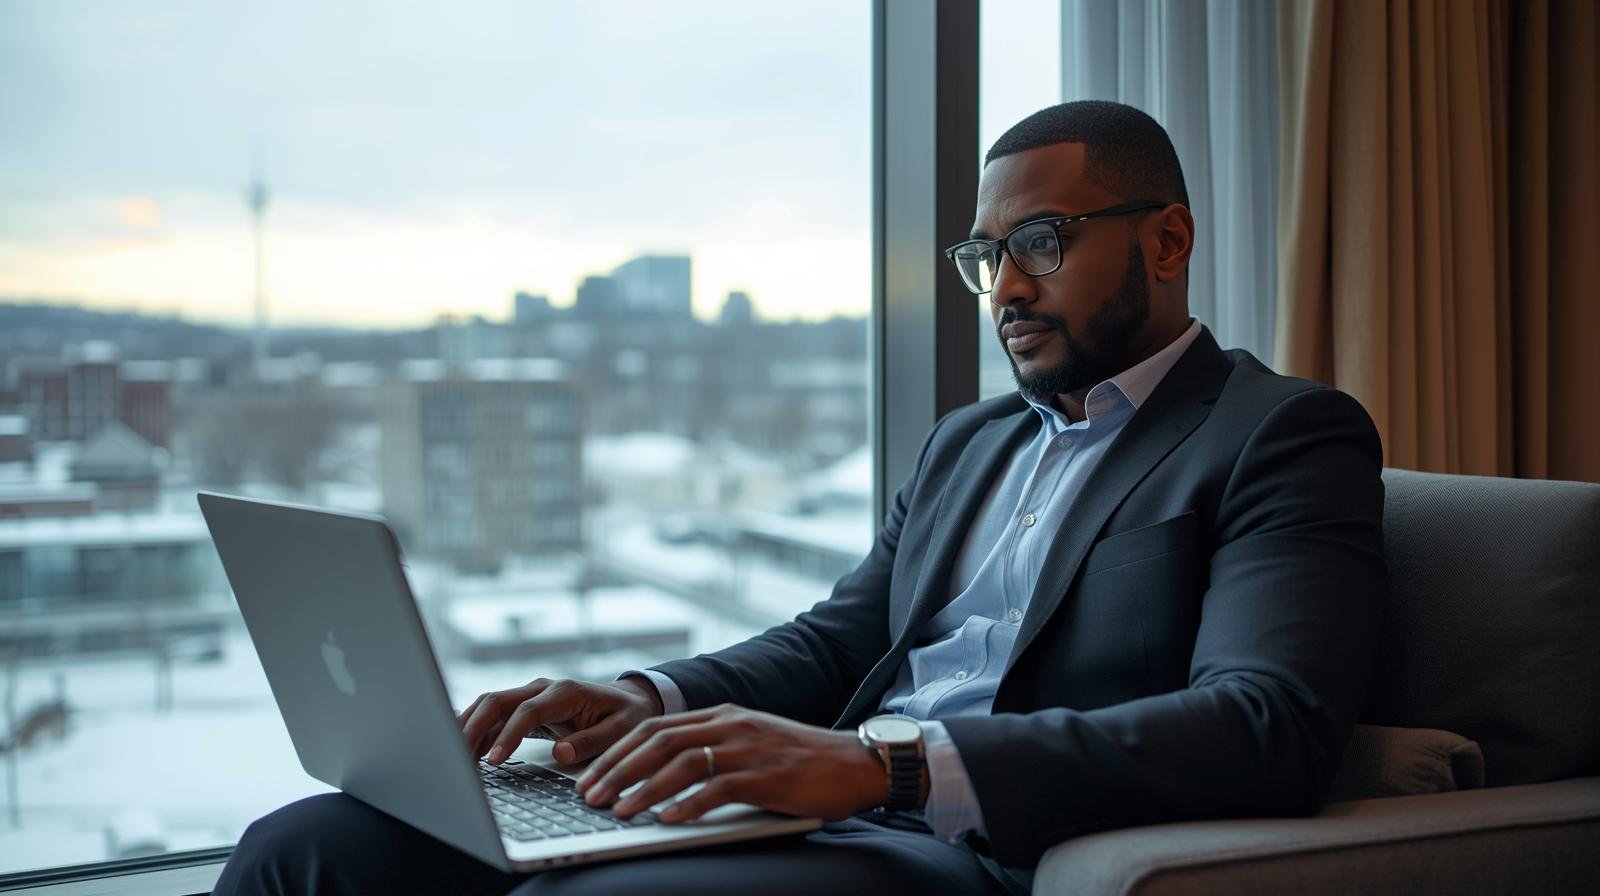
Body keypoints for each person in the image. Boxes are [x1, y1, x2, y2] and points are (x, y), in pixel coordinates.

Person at [213, 100, 1386, 896]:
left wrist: (890, 765)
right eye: (986, 257)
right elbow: (840, 639)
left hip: (965, 846)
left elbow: (1266, 722)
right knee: (306, 848)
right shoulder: (970, 442)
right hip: (817, 808)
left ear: (1167, 240)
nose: (1005, 290)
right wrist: (644, 695)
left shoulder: (1277, 433)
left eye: (1040, 241)